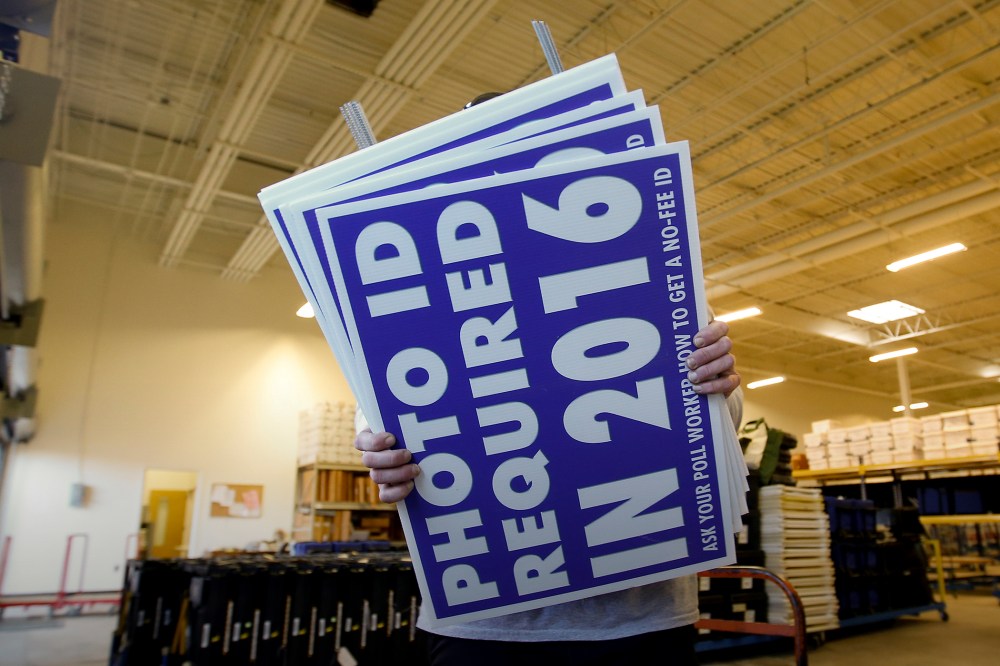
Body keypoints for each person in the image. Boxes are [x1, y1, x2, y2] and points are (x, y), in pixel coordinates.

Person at [355, 318, 742, 666]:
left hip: (641, 614)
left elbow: (727, 414)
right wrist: (377, 448)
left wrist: (720, 385)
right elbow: (373, 411)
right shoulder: (421, 265)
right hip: (484, 618)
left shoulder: (653, 251)